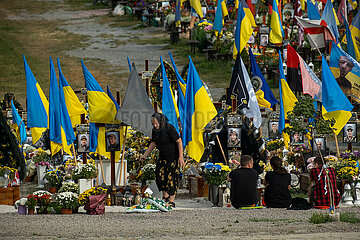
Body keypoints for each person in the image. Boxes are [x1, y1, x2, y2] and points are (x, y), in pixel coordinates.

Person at [140, 113, 184, 208]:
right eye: (153, 124)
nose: (155, 126)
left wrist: (181, 157)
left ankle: (171, 200)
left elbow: (179, 141)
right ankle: (165, 196)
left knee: (171, 179)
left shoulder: (169, 128)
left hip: (173, 157)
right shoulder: (155, 131)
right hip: (162, 157)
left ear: (161, 121)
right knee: (159, 177)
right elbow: (153, 143)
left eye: (156, 123)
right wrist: (145, 155)